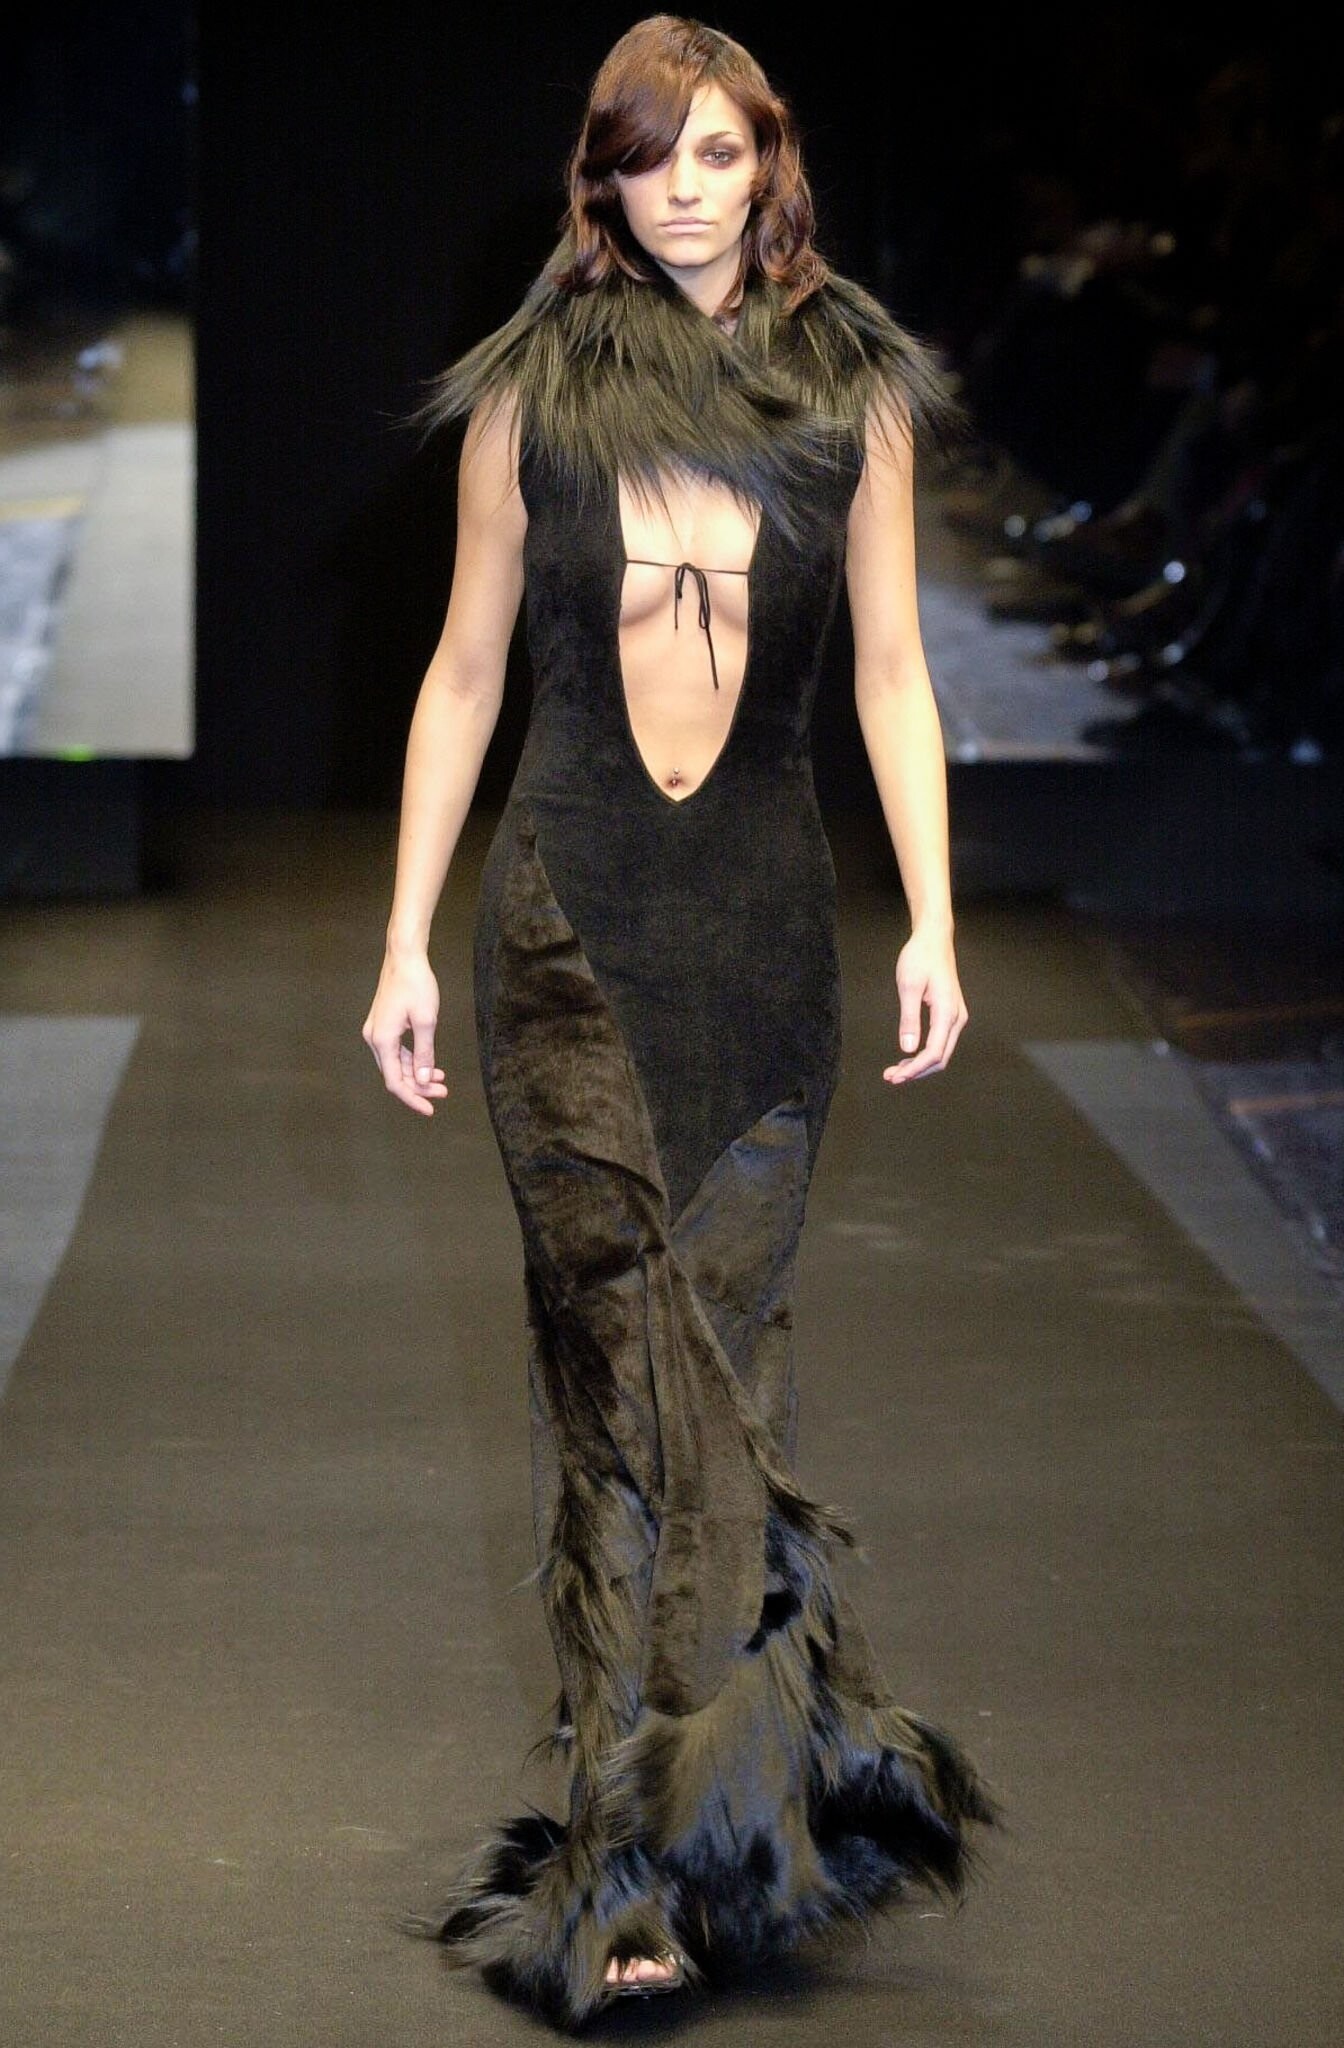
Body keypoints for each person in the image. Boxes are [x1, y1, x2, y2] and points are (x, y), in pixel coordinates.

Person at [361, 14, 996, 2030]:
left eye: (721, 152)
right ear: (608, 180)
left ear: (769, 163)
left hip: (765, 950)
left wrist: (939, 916)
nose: (690, 190)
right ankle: (619, 1855)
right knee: (604, 1390)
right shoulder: (530, 398)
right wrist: (401, 942)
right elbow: (464, 675)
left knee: (722, 1388)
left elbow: (891, 671)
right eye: (653, 157)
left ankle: (713, 1809)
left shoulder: (851, 395)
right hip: (565, 931)